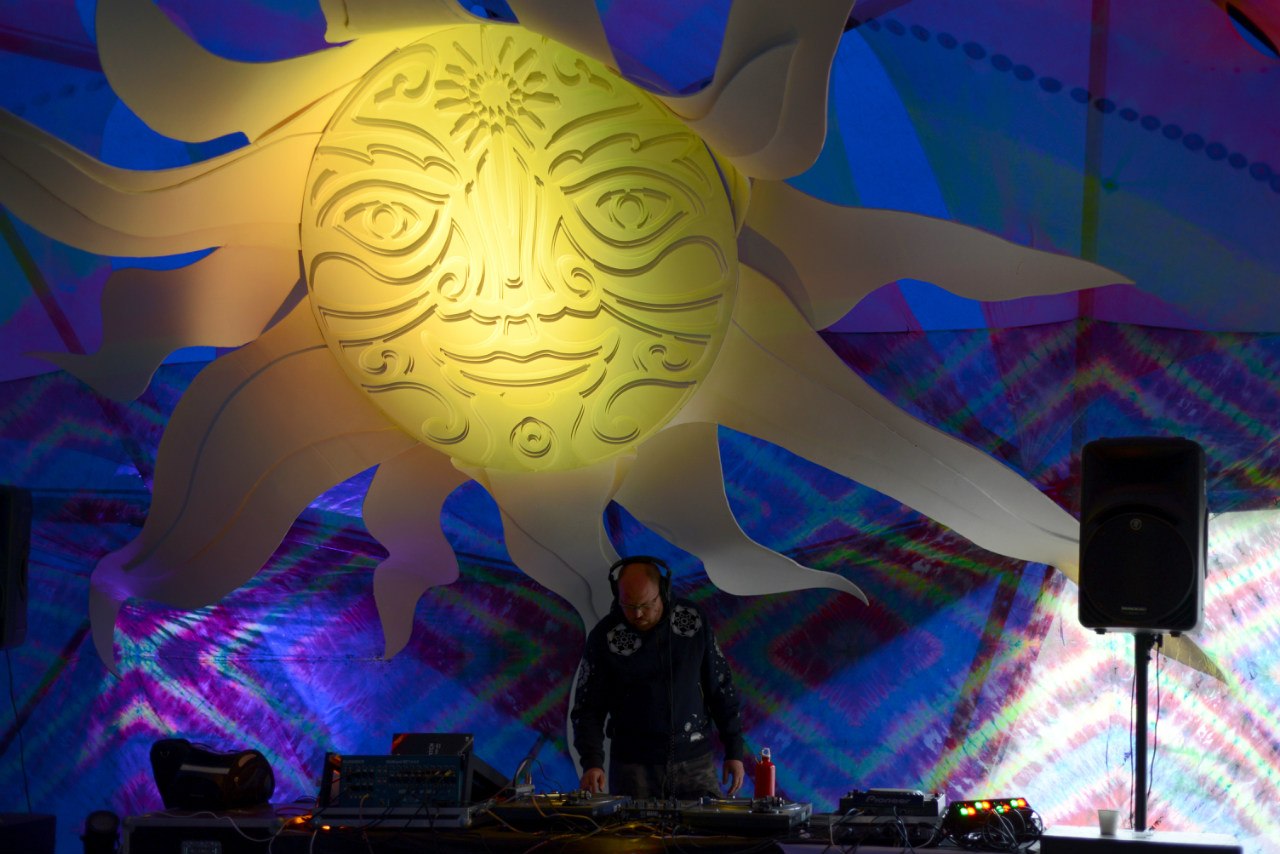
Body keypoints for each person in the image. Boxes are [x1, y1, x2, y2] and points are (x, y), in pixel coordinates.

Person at [571, 556, 745, 799]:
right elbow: (587, 708)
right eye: (628, 605)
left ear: (663, 591)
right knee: (632, 824)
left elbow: (720, 688)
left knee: (706, 823)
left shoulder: (692, 621)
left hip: (694, 762)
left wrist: (734, 751)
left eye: (646, 604)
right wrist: (592, 762)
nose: (638, 613)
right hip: (633, 767)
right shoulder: (605, 637)